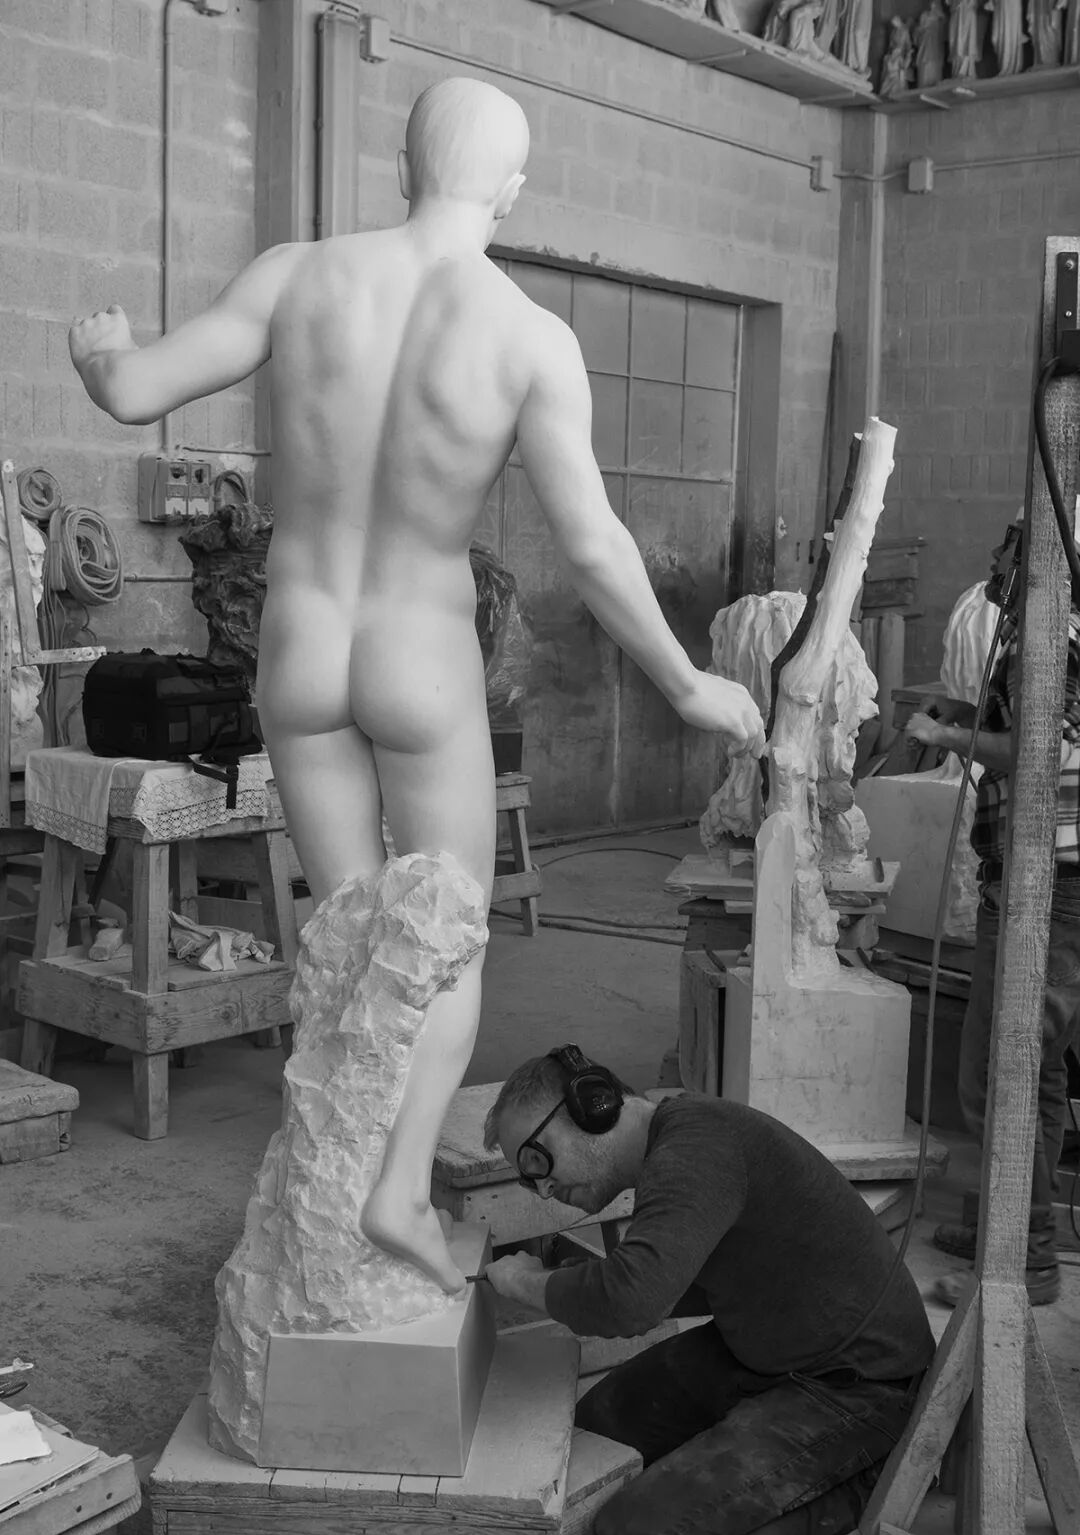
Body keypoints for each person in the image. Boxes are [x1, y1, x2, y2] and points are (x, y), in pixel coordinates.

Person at [67, 78, 765, 1298]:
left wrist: (101, 351)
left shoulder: (299, 275)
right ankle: (391, 1193)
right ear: (512, 192)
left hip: (300, 644)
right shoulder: (528, 338)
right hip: (417, 651)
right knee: (442, 945)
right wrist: (687, 681)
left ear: (402, 166)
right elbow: (594, 546)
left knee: (348, 935)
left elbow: (132, 393)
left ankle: (329, 1206)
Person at [482, 1047, 934, 1535]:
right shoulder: (676, 1149)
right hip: (770, 1349)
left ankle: (861, 1482)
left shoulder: (697, 1148)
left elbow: (633, 1301)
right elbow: (665, 1282)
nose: (543, 1188)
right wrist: (582, 1282)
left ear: (591, 1106)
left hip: (860, 1384)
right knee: (595, 1428)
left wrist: (524, 1284)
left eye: (536, 1160)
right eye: (526, 1179)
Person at [905, 522, 1080, 1308]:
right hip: (1039, 871)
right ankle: (1009, 1230)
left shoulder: (1052, 638)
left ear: (1040, 560)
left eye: (1007, 548)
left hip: (1052, 879)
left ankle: (1024, 1261)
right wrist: (967, 714)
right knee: (1033, 1069)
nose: (993, 561)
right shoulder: (1035, 638)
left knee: (997, 1070)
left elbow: (1041, 748)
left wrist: (946, 733)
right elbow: (1029, 725)